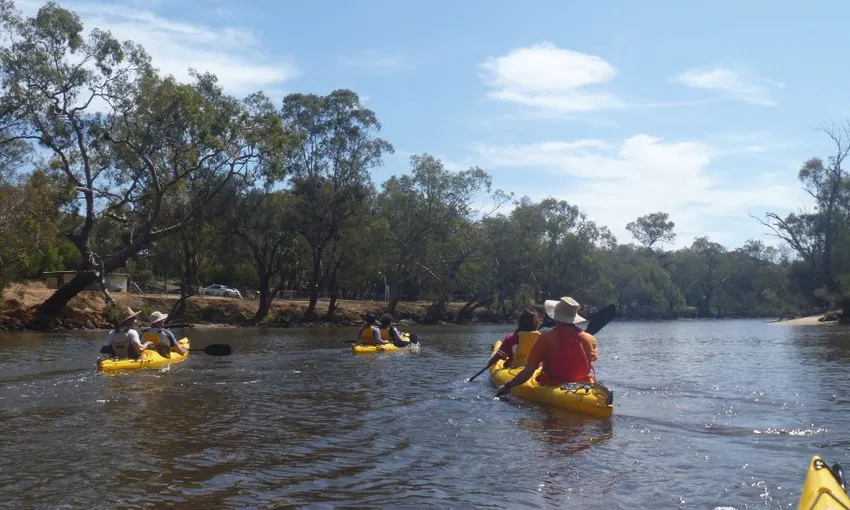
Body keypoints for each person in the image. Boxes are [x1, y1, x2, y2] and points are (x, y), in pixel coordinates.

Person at [496, 297, 598, 396]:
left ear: (556, 316)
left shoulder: (545, 338)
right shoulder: (590, 339)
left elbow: (529, 371)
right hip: (582, 386)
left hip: (552, 385)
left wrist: (508, 386)